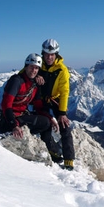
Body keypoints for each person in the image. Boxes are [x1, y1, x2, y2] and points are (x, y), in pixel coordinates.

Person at [0, 53, 60, 160]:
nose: (33, 70)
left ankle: (49, 150)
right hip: (8, 121)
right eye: (31, 67)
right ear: (26, 67)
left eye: (36, 68)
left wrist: (50, 117)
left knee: (46, 122)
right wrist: (14, 125)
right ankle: (50, 151)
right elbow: (6, 105)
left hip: (19, 117)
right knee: (45, 123)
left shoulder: (34, 84)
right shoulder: (16, 81)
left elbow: (39, 107)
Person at [38, 39, 75, 170]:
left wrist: (62, 113)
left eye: (52, 54)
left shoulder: (62, 70)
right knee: (44, 124)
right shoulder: (38, 65)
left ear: (56, 55)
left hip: (56, 99)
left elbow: (65, 91)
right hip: (42, 99)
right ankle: (52, 151)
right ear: (43, 54)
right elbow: (24, 73)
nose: (49, 57)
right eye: (47, 54)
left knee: (64, 126)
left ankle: (69, 159)